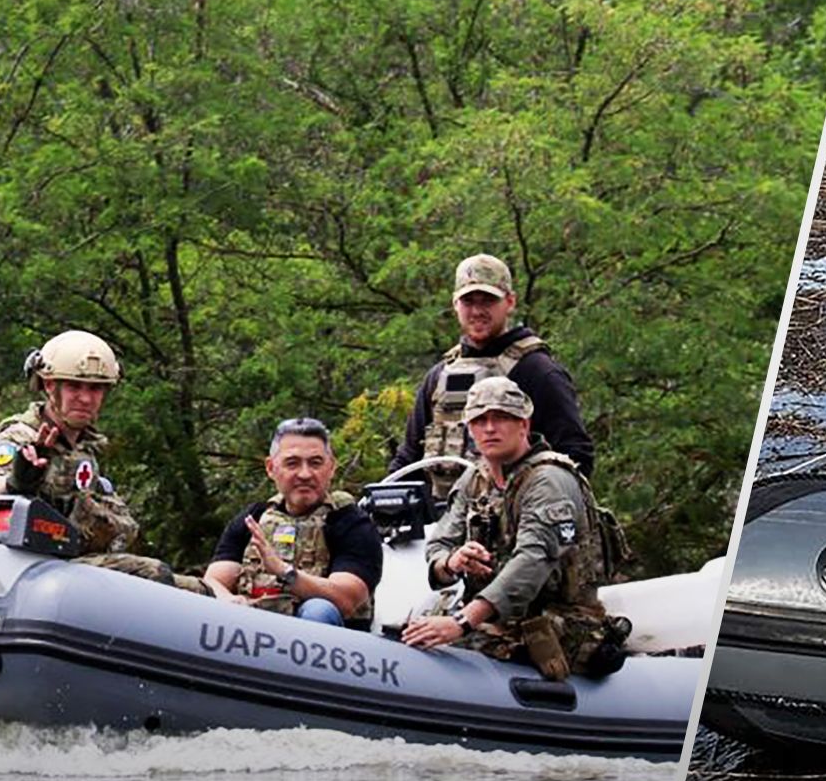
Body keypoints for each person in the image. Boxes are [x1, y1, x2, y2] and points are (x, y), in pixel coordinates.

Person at [401, 377, 624, 681]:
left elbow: (531, 561)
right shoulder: (475, 480)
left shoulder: (549, 481)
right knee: (409, 633)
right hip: (497, 617)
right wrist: (451, 562)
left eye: (501, 418)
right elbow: (439, 543)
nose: (489, 428)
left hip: (558, 618)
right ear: (469, 429)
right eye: (479, 420)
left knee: (462, 644)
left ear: (524, 424)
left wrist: (462, 623)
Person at [0, 330, 205, 592]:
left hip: (73, 562)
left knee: (193, 587)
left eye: (95, 388)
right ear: (49, 386)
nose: (85, 398)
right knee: (151, 573)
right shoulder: (20, 438)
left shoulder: (85, 449)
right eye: (74, 386)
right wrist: (16, 482)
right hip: (30, 566)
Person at [389, 253, 593, 500]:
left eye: (487, 300)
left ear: (509, 302)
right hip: (442, 523)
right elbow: (408, 459)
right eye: (468, 301)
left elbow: (575, 456)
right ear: (455, 305)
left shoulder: (538, 372)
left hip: (516, 521)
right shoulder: (438, 376)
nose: (477, 310)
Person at [203, 418, 382, 626]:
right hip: (248, 629)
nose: (305, 474)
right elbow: (213, 580)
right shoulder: (253, 518)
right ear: (271, 468)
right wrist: (228, 599)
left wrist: (283, 570)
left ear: (331, 467)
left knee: (319, 610)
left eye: (315, 463)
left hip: (323, 640)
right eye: (292, 463)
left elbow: (347, 599)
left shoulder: (350, 522)